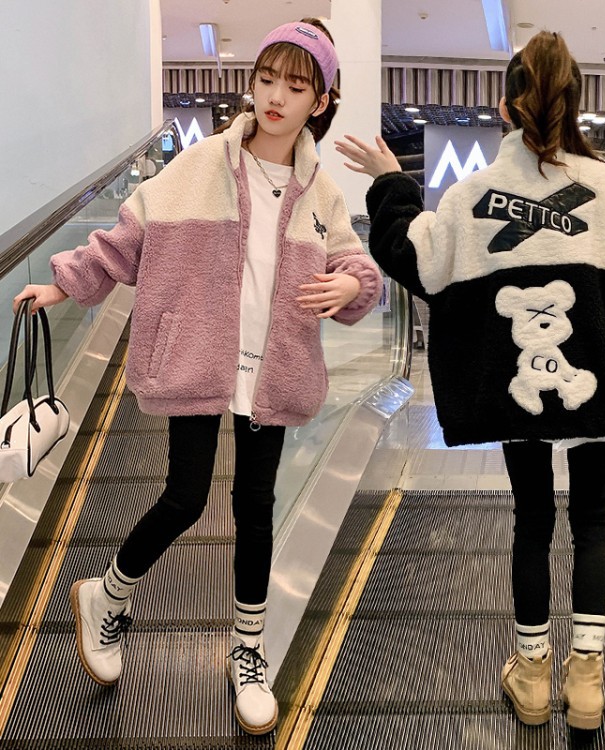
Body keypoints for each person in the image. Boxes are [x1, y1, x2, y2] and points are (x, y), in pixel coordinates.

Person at [334, 30, 605, 731]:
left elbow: (411, 257)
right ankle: (586, 683)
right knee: (592, 522)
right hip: (595, 385)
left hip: (515, 388)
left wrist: (389, 182)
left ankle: (530, 677)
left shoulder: (471, 196)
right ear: (573, 105)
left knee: (532, 522)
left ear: (504, 108)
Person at [14, 18, 382, 736]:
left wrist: (353, 285)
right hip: (199, 357)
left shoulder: (321, 193)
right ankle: (108, 594)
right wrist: (65, 283)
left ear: (320, 102)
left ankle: (248, 649)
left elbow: (353, 263)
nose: (275, 96)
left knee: (255, 508)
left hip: (275, 372)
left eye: (295, 87)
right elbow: (129, 234)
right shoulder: (202, 164)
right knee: (184, 498)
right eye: (267, 79)